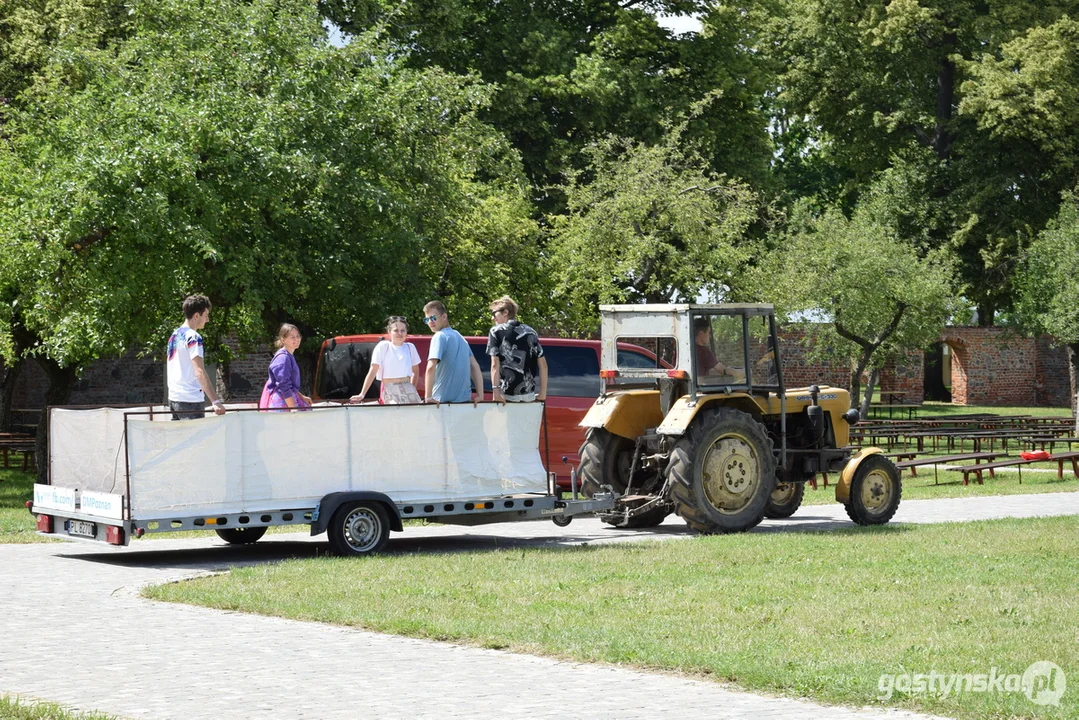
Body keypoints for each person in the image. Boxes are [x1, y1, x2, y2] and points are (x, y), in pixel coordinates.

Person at [166, 294, 227, 420]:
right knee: (195, 439)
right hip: (190, 400)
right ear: (196, 316)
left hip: (174, 398)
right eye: (206, 316)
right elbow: (199, 371)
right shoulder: (193, 337)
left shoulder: (174, 335)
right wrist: (215, 401)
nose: (208, 320)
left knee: (180, 438)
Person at [486, 295, 547, 403]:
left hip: (507, 396)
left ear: (505, 312)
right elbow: (543, 365)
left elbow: (495, 365)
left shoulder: (496, 331)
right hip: (529, 396)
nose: (493, 318)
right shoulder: (531, 332)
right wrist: (542, 393)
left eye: (494, 313)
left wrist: (496, 394)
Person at [349, 316, 422, 405]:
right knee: (395, 413)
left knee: (415, 413)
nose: (399, 333)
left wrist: (412, 389)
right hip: (389, 388)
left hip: (407, 387)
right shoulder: (383, 347)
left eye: (403, 330)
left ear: (406, 332)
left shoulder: (410, 347)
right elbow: (373, 370)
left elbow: (416, 371)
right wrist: (362, 394)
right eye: (396, 330)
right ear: (389, 332)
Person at [422, 300, 483, 403]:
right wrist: (480, 395)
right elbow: (475, 366)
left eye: (433, 318)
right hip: (464, 403)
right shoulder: (460, 337)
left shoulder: (439, 336)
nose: (430, 322)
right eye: (426, 319)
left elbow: (430, 367)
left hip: (441, 403)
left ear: (444, 316)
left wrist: (428, 397)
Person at [260, 323, 313, 411]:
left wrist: (301, 396)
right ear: (283, 339)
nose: (296, 339)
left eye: (298, 336)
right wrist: (293, 409)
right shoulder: (283, 358)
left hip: (286, 400)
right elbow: (284, 385)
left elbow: (289, 384)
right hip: (282, 403)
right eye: (292, 337)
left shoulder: (288, 355)